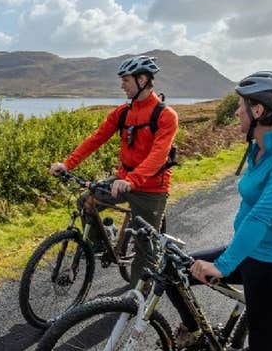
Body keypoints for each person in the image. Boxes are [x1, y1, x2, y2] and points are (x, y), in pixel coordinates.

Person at [166, 71, 272, 351]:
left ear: (258, 111)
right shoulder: (260, 148)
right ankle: (194, 330)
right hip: (250, 255)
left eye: (240, 106)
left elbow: (262, 216)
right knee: (173, 269)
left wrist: (222, 265)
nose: (236, 112)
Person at [49, 55, 178, 274]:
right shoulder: (123, 112)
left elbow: (158, 155)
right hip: (123, 180)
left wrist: (132, 180)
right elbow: (96, 139)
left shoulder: (166, 115)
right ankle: (99, 247)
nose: (122, 85)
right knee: (86, 201)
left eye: (126, 80)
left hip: (151, 189)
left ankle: (137, 303)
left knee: (146, 253)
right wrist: (68, 164)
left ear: (143, 80)